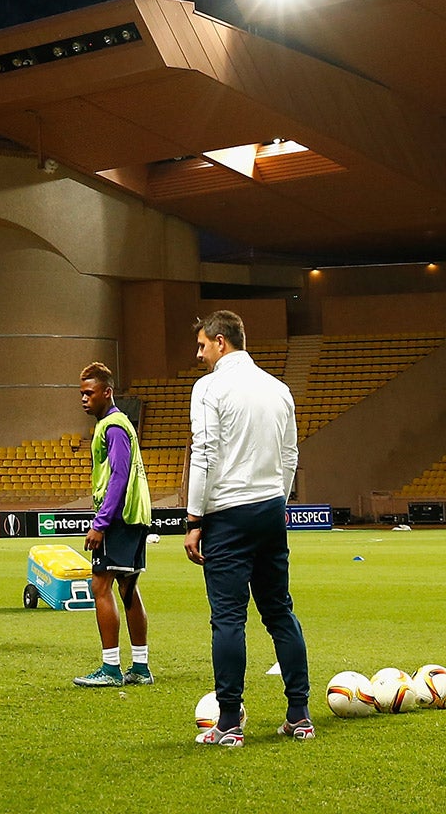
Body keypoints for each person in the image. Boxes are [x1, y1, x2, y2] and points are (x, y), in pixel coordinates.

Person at [184, 311, 312, 746]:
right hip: (272, 508)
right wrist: (278, 499)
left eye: (202, 345)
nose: (198, 354)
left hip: (228, 515)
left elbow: (204, 454)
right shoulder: (279, 389)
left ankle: (229, 723)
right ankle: (299, 714)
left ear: (221, 342)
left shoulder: (209, 388)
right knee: (279, 611)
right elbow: (291, 455)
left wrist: (195, 519)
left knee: (228, 619)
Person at [72, 362, 154, 688]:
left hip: (118, 519)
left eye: (89, 393)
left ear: (107, 392)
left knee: (100, 585)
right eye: (81, 394)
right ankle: (141, 667)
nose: (84, 399)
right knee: (128, 588)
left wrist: (101, 522)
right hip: (134, 517)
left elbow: (119, 476)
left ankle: (110, 668)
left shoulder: (113, 427)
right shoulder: (117, 424)